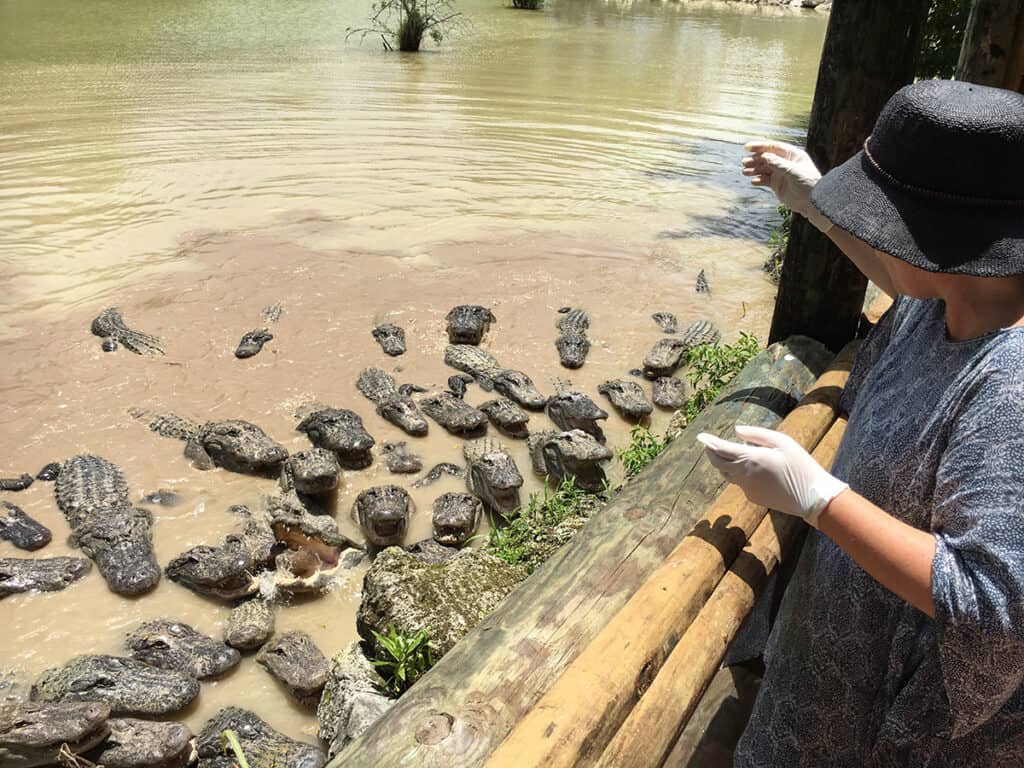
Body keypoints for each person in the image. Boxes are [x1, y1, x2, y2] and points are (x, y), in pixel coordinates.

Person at [696, 79, 1024, 766]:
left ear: (943, 242)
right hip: (832, 677)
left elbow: (996, 613)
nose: (876, 231)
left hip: (889, 728)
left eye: (887, 216)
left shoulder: (1010, 388)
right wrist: (813, 201)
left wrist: (814, 495)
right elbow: (901, 273)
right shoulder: (950, 303)